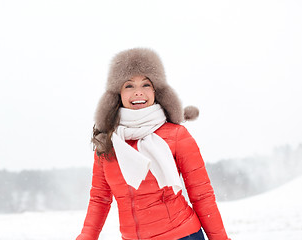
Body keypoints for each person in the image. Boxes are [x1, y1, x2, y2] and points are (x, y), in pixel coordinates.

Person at [76, 48, 230, 240]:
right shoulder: (108, 143)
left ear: (156, 90)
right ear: (118, 94)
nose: (138, 92)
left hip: (182, 235)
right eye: (129, 85)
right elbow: (99, 199)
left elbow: (201, 195)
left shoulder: (176, 135)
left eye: (146, 84)